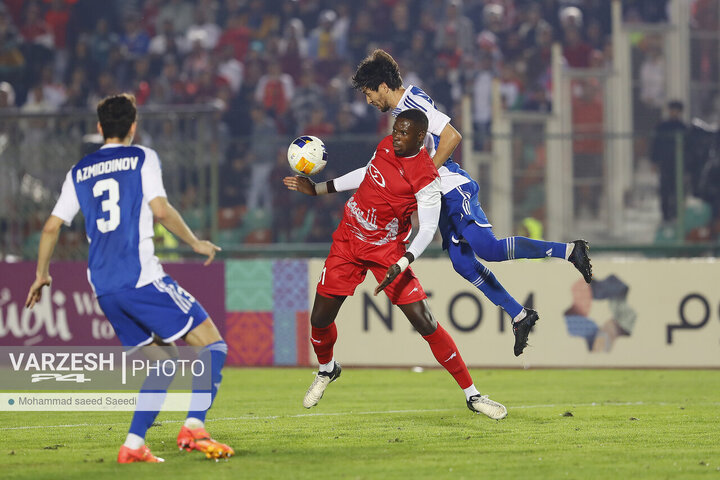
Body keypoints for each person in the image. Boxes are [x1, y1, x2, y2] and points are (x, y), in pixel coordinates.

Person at [24, 94, 233, 463]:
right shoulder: (142, 157)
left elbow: (51, 226)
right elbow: (160, 209)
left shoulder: (79, 170)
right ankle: (195, 427)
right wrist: (195, 242)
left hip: (104, 289)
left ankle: (134, 445)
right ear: (134, 126)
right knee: (212, 346)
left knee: (165, 362)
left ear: (100, 127)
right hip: (141, 279)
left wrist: (41, 275)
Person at [351, 49, 593, 357]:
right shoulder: (405, 108)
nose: (369, 101)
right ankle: (520, 315)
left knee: (488, 249)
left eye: (369, 93)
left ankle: (571, 251)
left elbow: (452, 136)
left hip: (452, 186)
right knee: (463, 263)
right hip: (439, 195)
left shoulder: (412, 104)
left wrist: (425, 175)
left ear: (383, 86)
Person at [283, 109, 507, 420]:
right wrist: (319, 189)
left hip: (388, 251)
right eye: (395, 130)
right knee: (319, 319)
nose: (396, 136)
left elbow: (427, 228)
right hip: (349, 239)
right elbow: (367, 172)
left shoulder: (426, 177)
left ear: (419, 138)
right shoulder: (386, 146)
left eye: (403, 133)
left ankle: (473, 395)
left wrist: (404, 261)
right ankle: (327, 369)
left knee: (424, 320)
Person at [650, 100, 686, 223]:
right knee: (665, 191)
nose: (674, 113)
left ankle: (676, 215)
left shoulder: (683, 127)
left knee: (678, 192)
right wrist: (654, 162)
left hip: (679, 165)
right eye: (672, 110)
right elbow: (655, 145)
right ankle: (665, 216)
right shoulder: (662, 127)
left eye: (676, 110)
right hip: (665, 164)